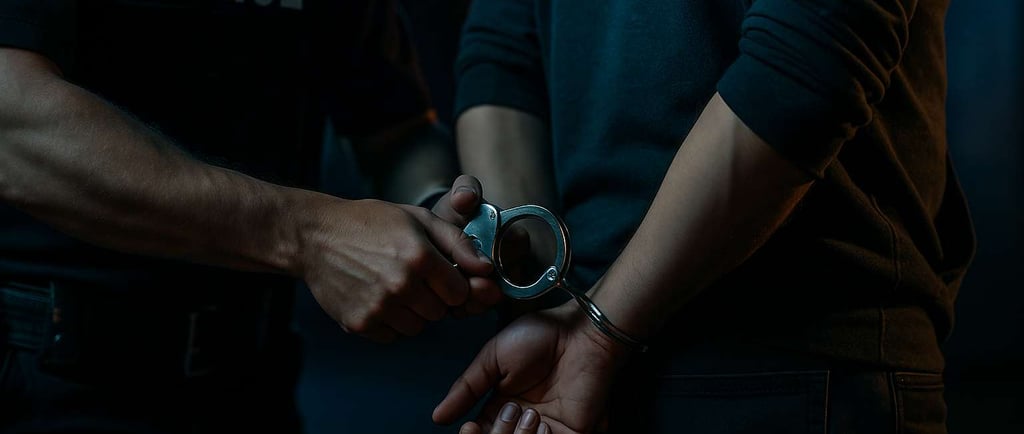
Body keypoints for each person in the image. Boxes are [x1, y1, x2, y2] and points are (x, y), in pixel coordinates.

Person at [432, 0, 977, 433]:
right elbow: (503, 54)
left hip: (796, 362)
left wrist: (581, 328)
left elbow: (809, 58)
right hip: (583, 374)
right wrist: (557, 319)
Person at [0, 1, 504, 432]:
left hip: (252, 378)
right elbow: (12, 123)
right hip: (49, 367)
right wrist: (307, 233)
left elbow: (398, 134)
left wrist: (436, 210)